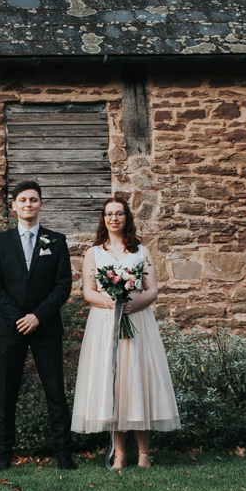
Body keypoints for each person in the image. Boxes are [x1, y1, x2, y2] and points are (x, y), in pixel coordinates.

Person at [71, 197, 179, 468]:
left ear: (127, 218)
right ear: (103, 219)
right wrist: (110, 302)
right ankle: (119, 453)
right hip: (105, 324)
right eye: (109, 214)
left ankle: (144, 453)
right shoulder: (94, 253)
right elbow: (88, 292)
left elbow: (152, 289)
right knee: (114, 383)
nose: (114, 219)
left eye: (119, 214)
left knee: (139, 380)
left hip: (138, 321)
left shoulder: (142, 252)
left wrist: (132, 304)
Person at [0, 180, 76, 471]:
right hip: (10, 329)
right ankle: (2, 456)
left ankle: (64, 456)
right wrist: (18, 317)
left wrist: (38, 316)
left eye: (33, 200)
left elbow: (63, 286)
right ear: (13, 207)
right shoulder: (0, 242)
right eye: (22, 200)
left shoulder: (57, 241)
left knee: (55, 393)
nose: (28, 204)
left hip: (46, 327)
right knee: (7, 394)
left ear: (41, 205)